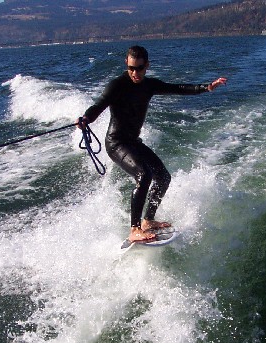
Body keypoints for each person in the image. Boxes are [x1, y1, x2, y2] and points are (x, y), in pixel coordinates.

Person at [78, 45, 227, 243]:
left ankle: (148, 220)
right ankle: (135, 229)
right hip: (116, 143)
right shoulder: (116, 85)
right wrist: (86, 118)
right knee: (144, 175)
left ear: (147, 65)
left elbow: (178, 89)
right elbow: (99, 105)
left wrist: (206, 87)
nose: (135, 73)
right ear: (126, 64)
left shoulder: (149, 85)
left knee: (163, 177)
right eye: (131, 68)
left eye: (139, 68)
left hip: (132, 142)